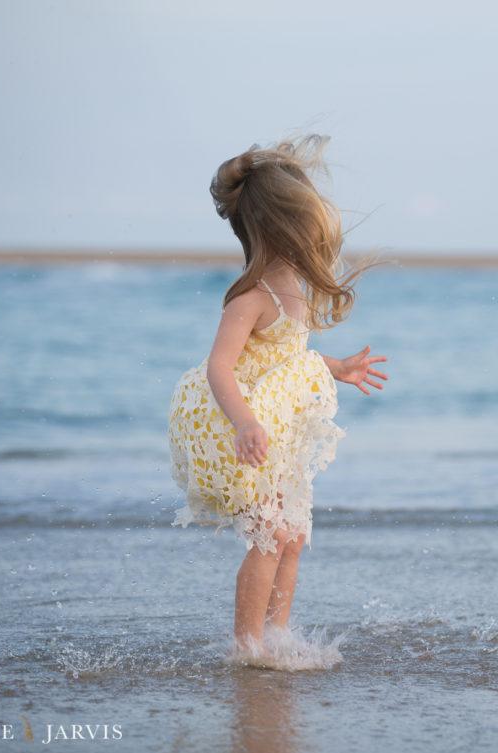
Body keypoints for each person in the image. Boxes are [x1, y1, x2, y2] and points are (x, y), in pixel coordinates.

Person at [168, 135, 387, 654]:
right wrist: (244, 422)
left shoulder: (296, 290)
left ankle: (278, 636)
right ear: (278, 226)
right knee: (269, 533)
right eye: (304, 224)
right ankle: (247, 647)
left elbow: (290, 360)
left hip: (275, 428)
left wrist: (339, 368)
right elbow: (221, 367)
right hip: (235, 426)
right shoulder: (252, 297)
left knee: (292, 535)